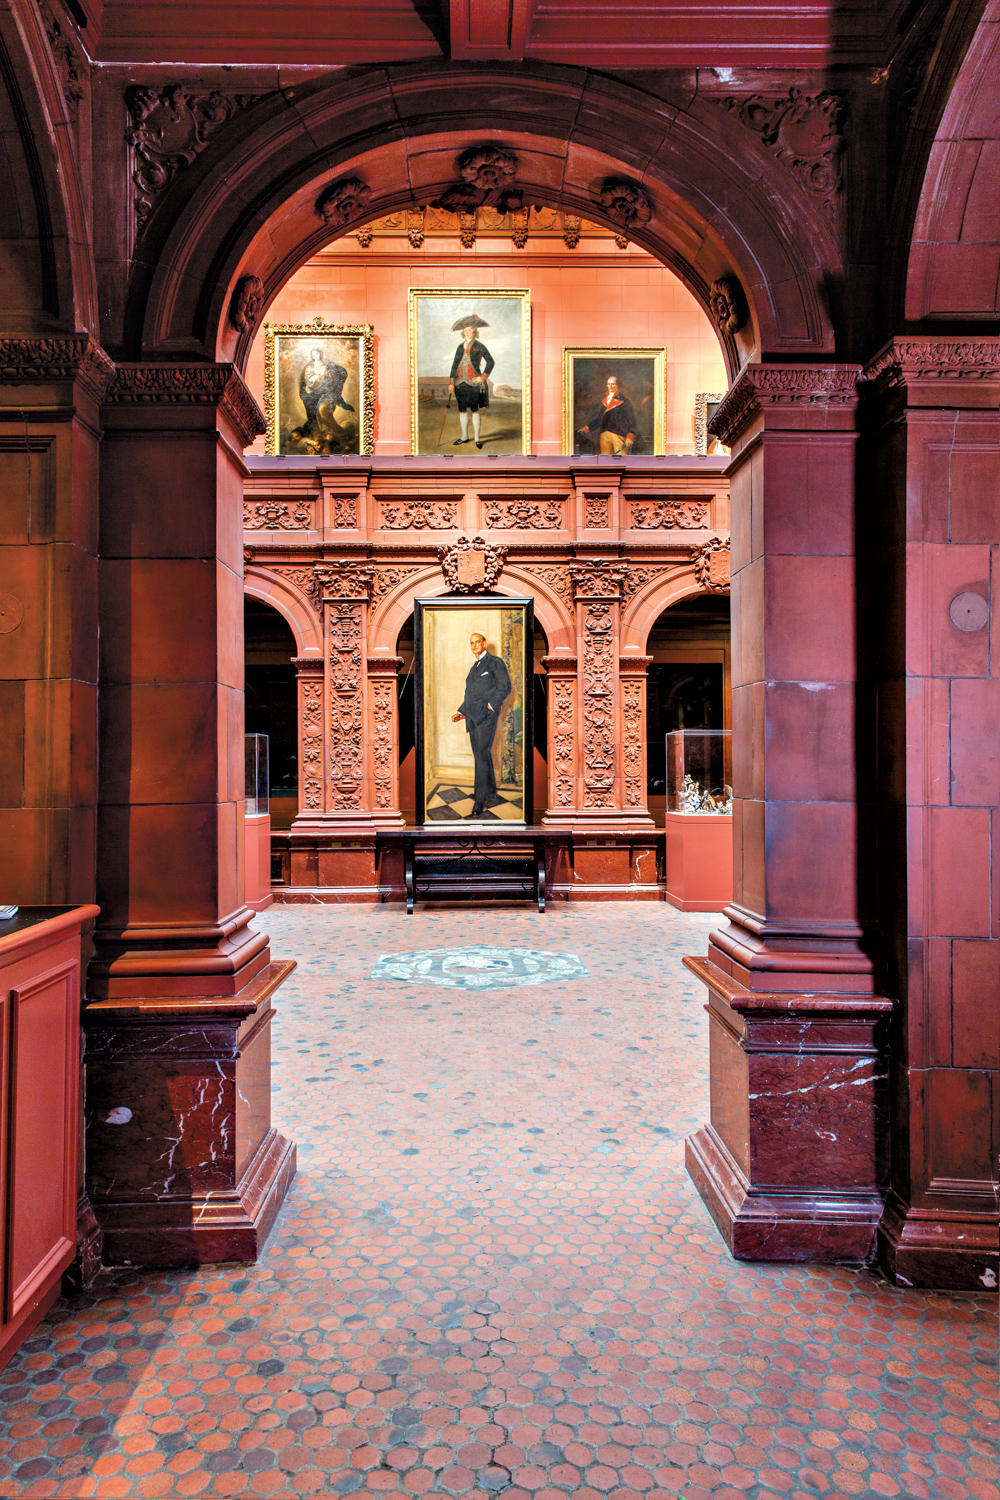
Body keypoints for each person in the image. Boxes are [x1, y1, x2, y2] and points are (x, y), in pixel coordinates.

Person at [451, 631, 512, 816]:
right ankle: (490, 792)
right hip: (472, 717)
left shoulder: (495, 662)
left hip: (485, 718)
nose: (474, 645)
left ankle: (479, 800)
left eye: (477, 642)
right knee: (482, 755)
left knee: (480, 755)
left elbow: (504, 688)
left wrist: (490, 707)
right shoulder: (474, 667)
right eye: (472, 643)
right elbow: (470, 694)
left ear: (484, 644)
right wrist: (461, 711)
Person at [448, 316, 495, 449]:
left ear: (475, 332)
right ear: (463, 332)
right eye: (466, 330)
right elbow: (454, 365)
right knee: (462, 411)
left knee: (475, 411)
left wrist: (482, 377)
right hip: (459, 384)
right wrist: (451, 382)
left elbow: (491, 362)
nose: (468, 333)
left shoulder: (479, 346)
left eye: (470, 330)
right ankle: (464, 436)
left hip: (474, 384)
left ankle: (477, 439)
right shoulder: (459, 347)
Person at [295, 347, 354, 441]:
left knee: (323, 410)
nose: (315, 356)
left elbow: (337, 376)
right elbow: (308, 381)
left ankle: (341, 434)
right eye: (313, 354)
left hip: (326, 394)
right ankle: (323, 435)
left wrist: (330, 378)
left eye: (317, 353)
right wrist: (316, 378)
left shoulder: (327, 366)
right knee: (315, 415)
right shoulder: (309, 367)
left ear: (320, 354)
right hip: (313, 394)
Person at [577, 374, 636, 455]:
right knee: (606, 461)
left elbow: (631, 419)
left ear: (617, 385)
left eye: (613, 384)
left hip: (618, 435)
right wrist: (586, 428)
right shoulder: (605, 401)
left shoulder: (625, 401)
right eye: (609, 384)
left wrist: (630, 435)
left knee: (621, 461)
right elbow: (600, 419)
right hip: (604, 435)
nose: (610, 386)